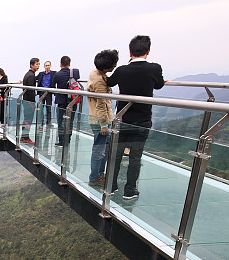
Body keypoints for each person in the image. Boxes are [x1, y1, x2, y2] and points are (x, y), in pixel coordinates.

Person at [107, 35, 166, 200]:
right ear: (148, 51)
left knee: (116, 155)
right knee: (135, 157)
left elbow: (110, 82)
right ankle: (130, 190)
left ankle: (111, 186)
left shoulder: (122, 70)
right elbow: (159, 85)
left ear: (130, 52)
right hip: (142, 120)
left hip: (122, 119)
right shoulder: (154, 68)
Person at [86, 49, 119, 185]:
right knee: (99, 150)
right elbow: (101, 104)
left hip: (98, 118)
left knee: (102, 149)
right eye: (113, 64)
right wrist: (104, 124)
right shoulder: (99, 80)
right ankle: (95, 177)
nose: (114, 66)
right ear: (106, 67)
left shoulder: (95, 73)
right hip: (100, 120)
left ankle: (99, 174)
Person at [52, 56, 81, 146]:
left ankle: (62, 141)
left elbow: (53, 85)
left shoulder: (57, 74)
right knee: (70, 121)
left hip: (61, 101)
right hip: (72, 101)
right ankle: (68, 140)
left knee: (61, 121)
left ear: (60, 64)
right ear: (69, 64)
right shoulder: (75, 72)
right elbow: (77, 79)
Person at [21, 58, 40, 143]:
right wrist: (33, 102)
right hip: (29, 101)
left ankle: (24, 136)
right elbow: (31, 91)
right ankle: (25, 137)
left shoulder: (28, 74)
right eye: (36, 64)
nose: (38, 66)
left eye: (39, 64)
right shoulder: (31, 76)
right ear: (32, 65)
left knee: (26, 119)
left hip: (26, 100)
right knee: (28, 119)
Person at [36, 61, 54, 126]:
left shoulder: (53, 73)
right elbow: (34, 78)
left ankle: (48, 122)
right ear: (44, 67)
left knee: (48, 108)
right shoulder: (41, 74)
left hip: (49, 93)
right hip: (42, 93)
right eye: (46, 65)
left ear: (50, 66)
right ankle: (41, 123)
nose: (47, 67)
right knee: (41, 108)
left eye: (48, 65)